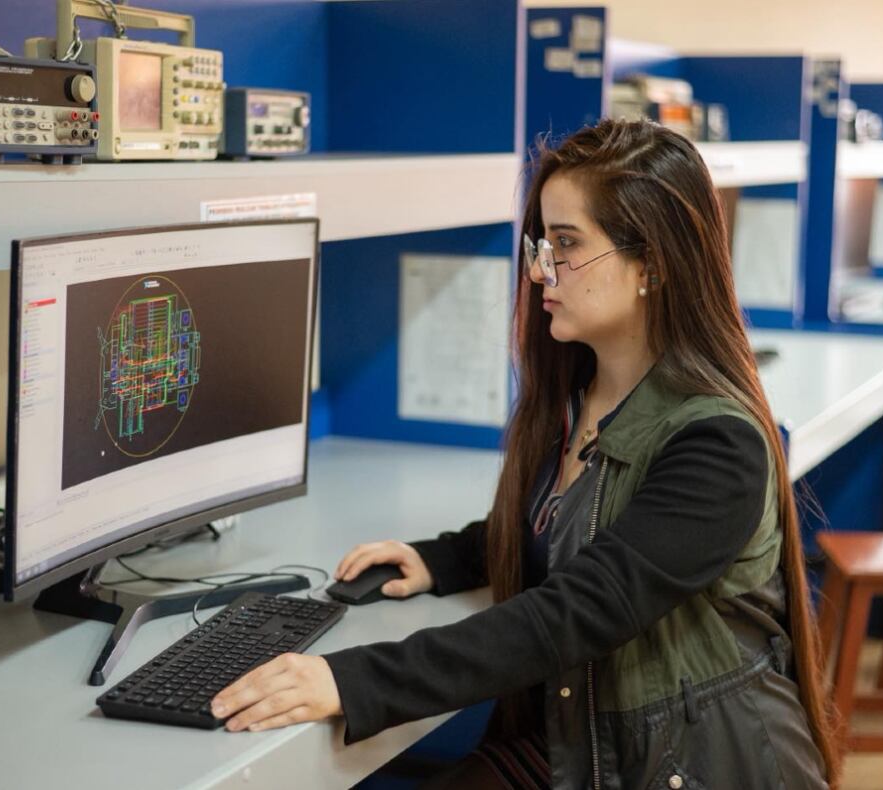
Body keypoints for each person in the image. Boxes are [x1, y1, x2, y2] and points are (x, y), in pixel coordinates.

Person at [210, 118, 836, 789]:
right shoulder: (580, 395)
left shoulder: (716, 444)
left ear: (651, 263)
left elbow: (577, 610)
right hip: (583, 738)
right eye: (541, 244)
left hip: (681, 763)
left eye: (565, 246)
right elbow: (576, 528)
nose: (541, 271)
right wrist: (443, 558)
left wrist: (354, 680)